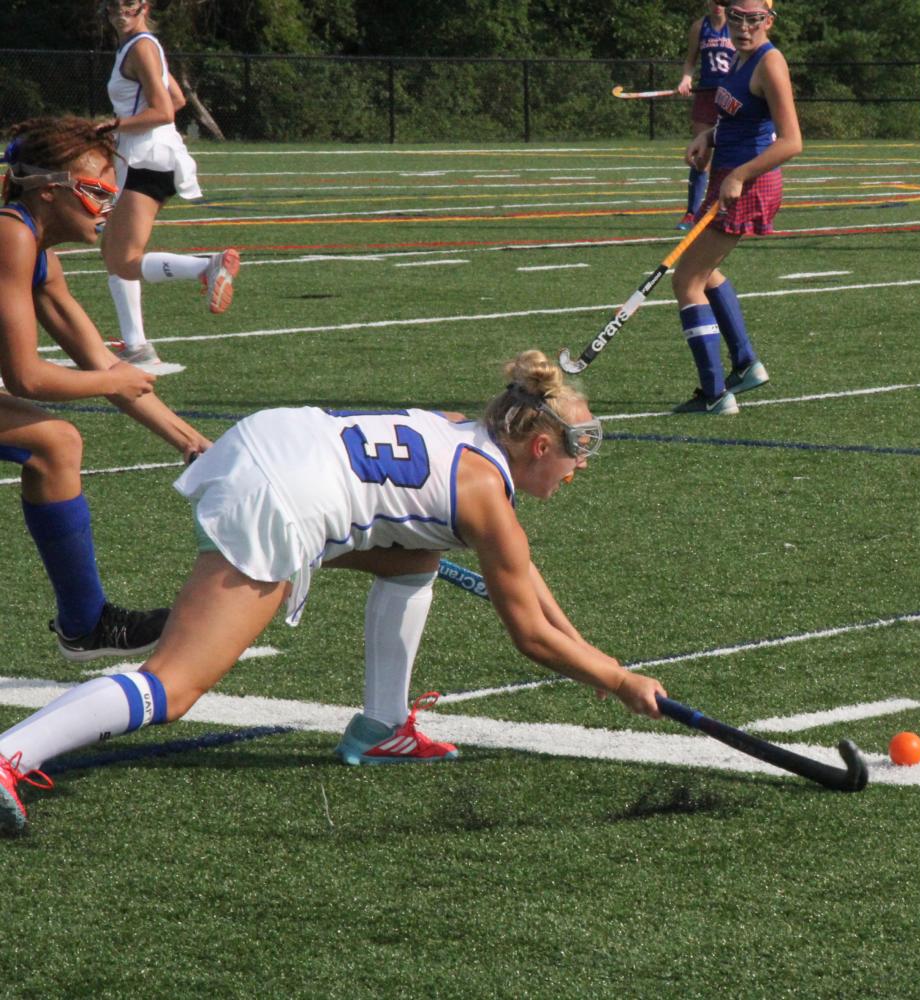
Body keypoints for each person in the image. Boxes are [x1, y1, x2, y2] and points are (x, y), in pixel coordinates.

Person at [0, 350, 670, 832]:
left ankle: (382, 725)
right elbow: (529, 634)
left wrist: (601, 662)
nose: (577, 472)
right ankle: (8, 757)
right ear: (541, 444)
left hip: (274, 441)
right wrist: (615, 681)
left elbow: (528, 585)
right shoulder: (484, 497)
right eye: (575, 456)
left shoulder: (462, 433)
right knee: (174, 687)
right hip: (283, 497)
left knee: (413, 558)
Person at [1, 116, 211, 667]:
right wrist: (112, 378)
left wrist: (191, 442)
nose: (108, 207)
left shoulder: (37, 250)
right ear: (51, 190)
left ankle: (86, 623)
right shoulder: (11, 235)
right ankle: (87, 623)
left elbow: (98, 360)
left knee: (57, 443)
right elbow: (27, 376)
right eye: (96, 191)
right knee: (55, 439)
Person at [671, 0, 801, 416]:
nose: (744, 27)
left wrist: (740, 175)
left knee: (686, 282)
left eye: (754, 19)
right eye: (738, 18)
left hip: (749, 183)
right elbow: (739, 118)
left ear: (769, 20)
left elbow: (791, 141)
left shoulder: (769, 62)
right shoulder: (740, 59)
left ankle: (714, 393)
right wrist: (708, 136)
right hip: (730, 174)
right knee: (704, 273)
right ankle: (745, 365)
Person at [99, 0, 240, 372]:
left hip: (147, 158)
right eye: (111, 4)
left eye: (127, 3)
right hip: (143, 157)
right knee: (112, 251)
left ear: (143, 5)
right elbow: (175, 99)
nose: (118, 10)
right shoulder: (139, 46)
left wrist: (108, 126)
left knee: (124, 259)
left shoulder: (142, 46)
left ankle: (206, 268)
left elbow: (162, 111)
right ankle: (136, 345)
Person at [674, 0, 735, 230]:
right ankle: (691, 213)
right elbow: (691, 61)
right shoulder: (700, 27)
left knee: (731, 154)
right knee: (701, 157)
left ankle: (726, 208)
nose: (718, 4)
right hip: (706, 97)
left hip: (731, 97)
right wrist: (686, 79)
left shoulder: (737, 25)